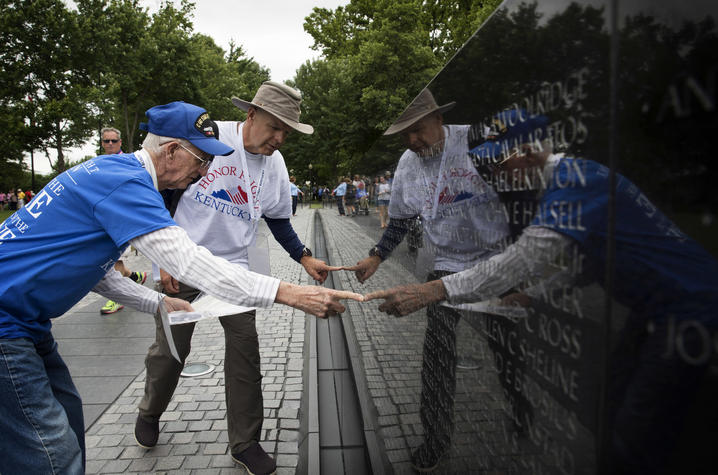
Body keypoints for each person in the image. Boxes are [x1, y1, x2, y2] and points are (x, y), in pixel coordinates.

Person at [0, 100, 361, 475]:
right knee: (51, 453)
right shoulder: (127, 185)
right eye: (202, 161)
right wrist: (290, 293)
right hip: (7, 324)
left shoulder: (113, 173)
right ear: (172, 150)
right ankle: (148, 413)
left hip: (28, 323)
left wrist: (156, 302)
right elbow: (187, 261)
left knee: (66, 418)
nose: (206, 172)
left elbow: (98, 271)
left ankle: (245, 441)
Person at [365, 109, 718, 474]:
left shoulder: (574, 183)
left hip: (688, 306)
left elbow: (522, 260)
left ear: (529, 151)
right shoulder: (574, 178)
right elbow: (589, 264)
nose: (495, 175)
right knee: (612, 401)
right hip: (658, 307)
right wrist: (535, 295)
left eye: (499, 164)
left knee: (638, 420)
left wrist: (433, 290)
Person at [135, 82, 343, 475]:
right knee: (171, 353)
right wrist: (162, 262)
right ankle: (150, 410)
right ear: (251, 115)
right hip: (184, 262)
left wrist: (304, 257)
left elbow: (278, 220)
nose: (280, 139)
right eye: (275, 128)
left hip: (235, 272)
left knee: (246, 352)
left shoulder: (275, 165)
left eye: (287, 132)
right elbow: (162, 192)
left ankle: (245, 442)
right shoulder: (211, 140)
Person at [348, 88, 510, 472]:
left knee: (508, 347)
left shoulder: (479, 142)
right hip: (447, 263)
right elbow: (401, 218)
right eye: (405, 134)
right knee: (437, 349)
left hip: (499, 260)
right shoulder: (408, 162)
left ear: (440, 119)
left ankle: (519, 411)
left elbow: (520, 194)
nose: (412, 140)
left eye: (418, 130)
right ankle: (435, 435)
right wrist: (376, 256)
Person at [98, 127, 148, 315]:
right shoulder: (100, 163)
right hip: (105, 220)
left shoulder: (129, 162)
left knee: (114, 262)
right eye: (106, 141)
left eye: (113, 141)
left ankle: (116, 299)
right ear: (102, 143)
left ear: (120, 143)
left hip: (123, 219)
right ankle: (136, 276)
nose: (110, 144)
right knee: (115, 263)